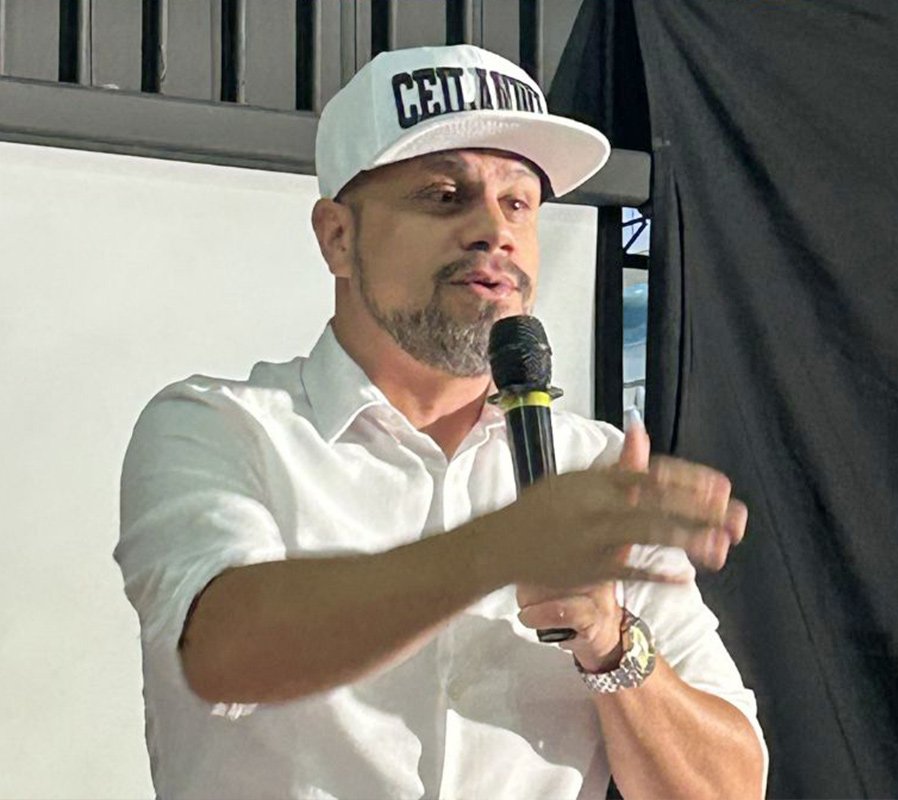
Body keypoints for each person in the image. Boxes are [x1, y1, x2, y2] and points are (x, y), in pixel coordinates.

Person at [115, 44, 767, 799]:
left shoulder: (594, 472)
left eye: (518, 203)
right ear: (338, 237)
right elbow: (224, 653)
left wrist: (611, 643)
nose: (494, 229)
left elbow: (730, 789)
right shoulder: (223, 427)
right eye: (444, 195)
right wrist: (505, 545)